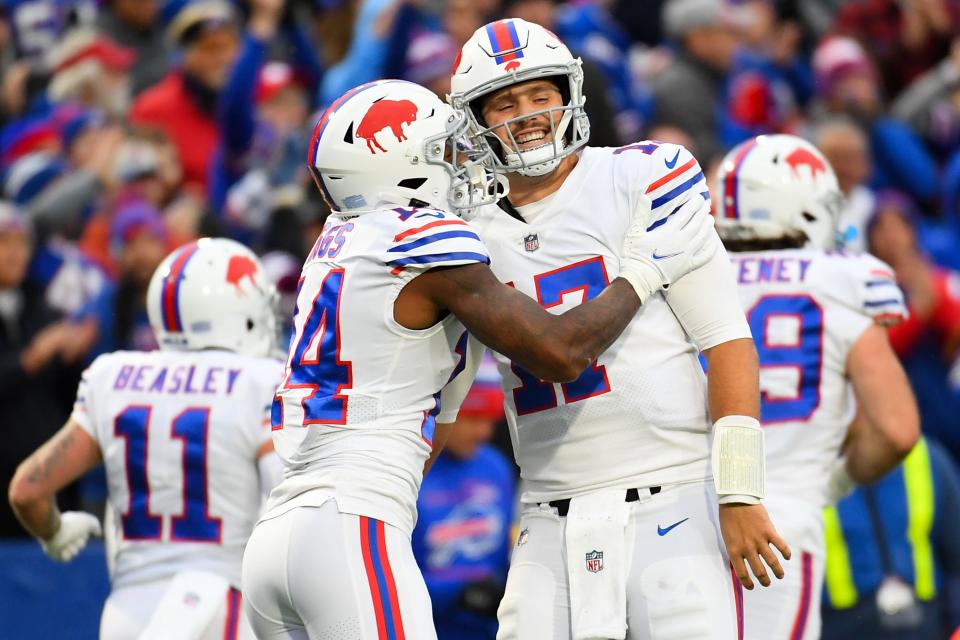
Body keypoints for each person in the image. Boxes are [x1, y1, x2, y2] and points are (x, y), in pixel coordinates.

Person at [240, 78, 718, 640]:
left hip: (278, 534)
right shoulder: (420, 240)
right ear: (403, 166)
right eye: (442, 150)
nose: (459, 160)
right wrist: (642, 271)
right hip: (351, 525)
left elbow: (437, 406)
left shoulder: (336, 241)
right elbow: (560, 353)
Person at [448, 18, 788, 640]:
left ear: (568, 96)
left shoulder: (640, 179)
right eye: (505, 102)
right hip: (547, 510)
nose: (526, 114)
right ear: (473, 120)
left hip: (675, 496)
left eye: (539, 94)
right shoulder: (463, 232)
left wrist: (739, 491)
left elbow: (727, 341)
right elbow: (445, 393)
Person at [8, 238, 285, 639]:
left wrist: (54, 533)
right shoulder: (259, 383)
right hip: (218, 605)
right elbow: (289, 503)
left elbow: (27, 491)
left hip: (126, 611)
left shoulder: (114, 377)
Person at [714, 133, 920, 639]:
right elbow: (897, 431)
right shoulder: (850, 280)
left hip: (681, 518)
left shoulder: (692, 275)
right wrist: (837, 482)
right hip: (780, 521)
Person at [413, 356, 515, 640]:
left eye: (490, 420)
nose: (484, 432)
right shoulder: (414, 472)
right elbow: (385, 581)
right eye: (473, 419)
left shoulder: (495, 465)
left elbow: (506, 556)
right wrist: (460, 592)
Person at [822, 437, 960, 640]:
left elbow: (956, 558)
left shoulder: (928, 457)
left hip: (926, 621)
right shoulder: (807, 464)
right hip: (837, 624)